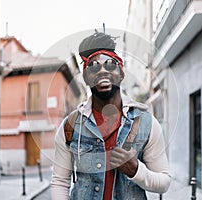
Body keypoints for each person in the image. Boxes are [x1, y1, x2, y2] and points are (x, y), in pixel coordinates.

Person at [51, 31, 171, 200]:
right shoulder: (69, 127)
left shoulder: (146, 123)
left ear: (121, 73)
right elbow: (60, 182)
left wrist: (136, 170)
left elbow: (164, 182)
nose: (102, 71)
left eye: (110, 64)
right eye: (93, 66)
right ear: (86, 77)